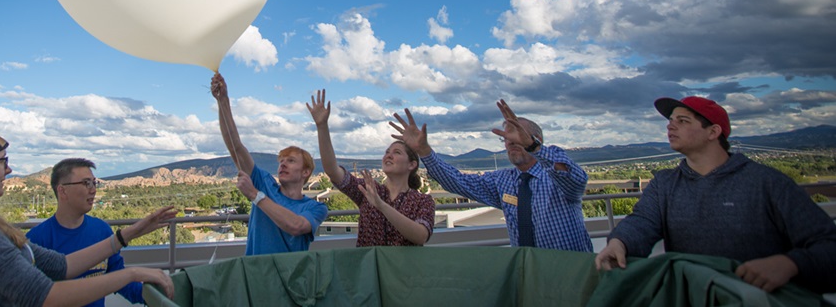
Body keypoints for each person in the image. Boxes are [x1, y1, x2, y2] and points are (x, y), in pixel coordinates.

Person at [595, 96, 836, 294]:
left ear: (713, 132)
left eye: (683, 120)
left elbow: (828, 245)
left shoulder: (767, 183)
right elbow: (642, 222)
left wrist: (790, 264)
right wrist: (620, 242)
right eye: (670, 120)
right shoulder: (664, 183)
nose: (670, 125)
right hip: (692, 297)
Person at [0, 130, 175, 307]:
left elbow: (62, 266)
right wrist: (132, 274)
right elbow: (46, 296)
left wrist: (129, 234)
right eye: (3, 161)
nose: (9, 169)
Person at [391, 100, 592, 252]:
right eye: (505, 138)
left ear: (536, 140)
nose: (510, 142)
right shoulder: (503, 181)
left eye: (516, 136)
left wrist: (533, 147)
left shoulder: (556, 176)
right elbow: (459, 182)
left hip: (570, 270)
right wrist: (425, 151)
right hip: (528, 271)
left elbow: (575, 178)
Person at [27, 158, 176, 307]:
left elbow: (121, 282)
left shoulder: (101, 231)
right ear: (62, 190)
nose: (93, 190)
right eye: (86, 183)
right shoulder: (36, 240)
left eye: (94, 183)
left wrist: (159, 293)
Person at [211, 73, 328, 255]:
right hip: (256, 277)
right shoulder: (265, 182)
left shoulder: (315, 208)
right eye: (281, 160)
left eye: (290, 161)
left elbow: (296, 226)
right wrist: (223, 101)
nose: (282, 164)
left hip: (291, 281)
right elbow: (236, 147)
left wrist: (255, 195)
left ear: (306, 172)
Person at [309, 89, 435, 246]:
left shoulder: (422, 201)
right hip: (369, 269)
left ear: (412, 164)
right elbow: (332, 171)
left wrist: (381, 205)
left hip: (403, 270)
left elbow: (421, 236)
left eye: (396, 152)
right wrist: (322, 126)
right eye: (387, 152)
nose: (388, 155)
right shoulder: (367, 190)